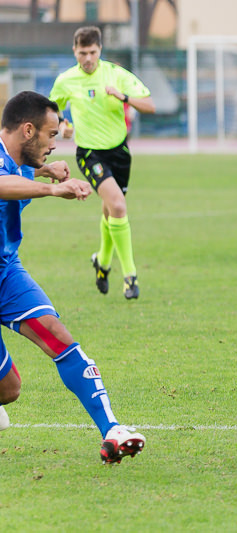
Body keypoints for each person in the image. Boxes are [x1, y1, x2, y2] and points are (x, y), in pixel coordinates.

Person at [0, 90, 145, 464]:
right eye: (50, 135)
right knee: (9, 387)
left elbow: (12, 174)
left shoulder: (15, 161)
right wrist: (51, 187)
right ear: (28, 130)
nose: (55, 142)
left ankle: (112, 430)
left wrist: (43, 170)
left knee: (58, 341)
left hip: (5, 274)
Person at [49, 26, 155, 299]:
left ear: (100, 50)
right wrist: (63, 125)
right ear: (75, 51)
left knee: (111, 211)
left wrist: (124, 98)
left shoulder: (116, 74)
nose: (87, 58)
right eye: (82, 53)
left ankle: (102, 262)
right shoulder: (65, 80)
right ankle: (130, 276)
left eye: (92, 52)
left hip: (119, 153)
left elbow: (150, 105)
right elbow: (52, 111)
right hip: (90, 154)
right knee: (118, 205)